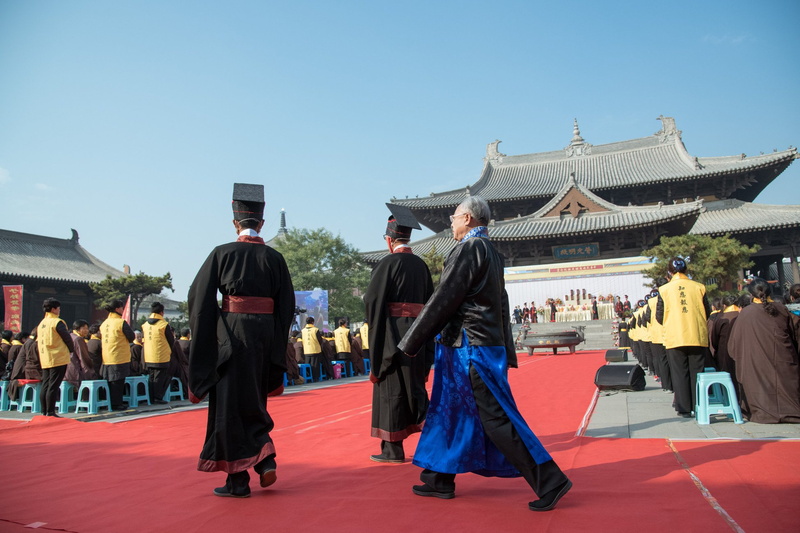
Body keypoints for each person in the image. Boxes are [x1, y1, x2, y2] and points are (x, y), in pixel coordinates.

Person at [397, 196, 572, 512]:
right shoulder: (492, 251)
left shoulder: (469, 249)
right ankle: (439, 478)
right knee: (451, 410)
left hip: (471, 347)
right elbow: (501, 306)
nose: (450, 222)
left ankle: (550, 480)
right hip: (480, 344)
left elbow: (444, 299)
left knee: (495, 417)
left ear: (465, 217)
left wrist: (411, 341)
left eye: (453, 217)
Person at [188, 182, 295, 498]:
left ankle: (238, 481)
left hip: (231, 335)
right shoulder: (275, 258)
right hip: (263, 336)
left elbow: (198, 300)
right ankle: (263, 459)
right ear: (262, 223)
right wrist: (275, 343)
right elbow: (286, 306)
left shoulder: (221, 254)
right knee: (253, 396)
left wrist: (210, 336)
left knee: (229, 404)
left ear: (235, 222)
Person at [364, 204, 434, 464]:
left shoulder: (387, 264)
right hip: (418, 334)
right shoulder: (421, 266)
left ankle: (393, 451)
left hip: (393, 337)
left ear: (389, 239)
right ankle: (435, 441)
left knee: (391, 389)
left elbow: (373, 302)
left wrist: (378, 343)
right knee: (415, 387)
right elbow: (431, 304)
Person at [728, 278, 800, 423]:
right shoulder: (782, 309)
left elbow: (734, 346)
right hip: (783, 360)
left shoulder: (746, 313)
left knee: (754, 375)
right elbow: (793, 336)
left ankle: (763, 411)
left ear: (751, 295)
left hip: (755, 366)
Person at [655, 258, 711, 418]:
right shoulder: (699, 287)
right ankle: (698, 404)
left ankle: (684, 408)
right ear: (686, 270)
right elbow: (706, 311)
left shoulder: (664, 290)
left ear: (669, 272)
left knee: (679, 372)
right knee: (697, 372)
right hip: (696, 334)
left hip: (675, 336)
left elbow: (659, 316)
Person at [36, 298, 75, 417]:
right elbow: (67, 337)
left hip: (45, 356)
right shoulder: (57, 322)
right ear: (53, 309)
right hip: (57, 356)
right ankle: (51, 411)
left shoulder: (42, 323)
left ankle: (44, 410)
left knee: (46, 384)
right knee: (53, 385)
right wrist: (71, 350)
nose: (59, 310)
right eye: (58, 308)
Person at [100, 299, 136, 410]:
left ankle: (110, 402)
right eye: (121, 307)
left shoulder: (104, 323)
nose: (122, 309)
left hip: (106, 357)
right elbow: (132, 337)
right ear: (117, 309)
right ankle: (116, 404)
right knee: (118, 382)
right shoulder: (120, 322)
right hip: (119, 356)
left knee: (110, 381)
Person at [142, 302, 175, 404]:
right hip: (161, 355)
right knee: (161, 377)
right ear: (161, 312)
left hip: (148, 355)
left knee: (152, 377)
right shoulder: (164, 325)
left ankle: (151, 397)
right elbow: (171, 340)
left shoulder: (145, 325)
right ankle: (158, 397)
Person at [65, 319, 98, 387]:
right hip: (76, 372)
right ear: (78, 329)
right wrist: (90, 372)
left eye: (87, 328)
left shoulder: (69, 336)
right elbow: (83, 357)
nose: (87, 331)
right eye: (84, 328)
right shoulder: (78, 339)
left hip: (66, 372)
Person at [301, 317, 331, 381]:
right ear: (312, 322)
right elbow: (320, 340)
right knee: (315, 365)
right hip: (315, 349)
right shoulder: (315, 329)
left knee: (308, 364)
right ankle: (315, 378)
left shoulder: (303, 330)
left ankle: (308, 377)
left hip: (306, 350)